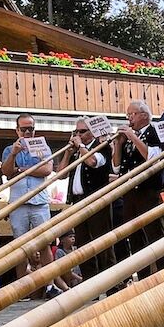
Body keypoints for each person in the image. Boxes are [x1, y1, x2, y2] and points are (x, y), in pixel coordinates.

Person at [112, 101, 164, 278]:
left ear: (144, 115)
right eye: (128, 115)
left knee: (155, 233)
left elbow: (152, 157)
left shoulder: (155, 132)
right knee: (135, 236)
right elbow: (116, 167)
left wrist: (132, 137)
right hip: (130, 191)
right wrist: (119, 145)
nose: (129, 118)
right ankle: (143, 276)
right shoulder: (130, 137)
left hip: (148, 190)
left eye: (132, 114)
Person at [0, 114, 56, 279]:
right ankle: (22, 287)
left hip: (39, 201)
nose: (27, 132)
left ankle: (50, 283)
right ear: (17, 130)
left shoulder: (41, 146)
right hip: (18, 202)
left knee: (45, 243)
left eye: (30, 129)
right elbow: (7, 172)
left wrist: (21, 170)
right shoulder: (9, 150)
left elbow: (47, 170)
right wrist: (14, 155)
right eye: (23, 129)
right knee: (20, 247)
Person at [59, 118, 115, 285]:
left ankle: (110, 284)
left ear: (92, 133)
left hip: (96, 200)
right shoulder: (76, 152)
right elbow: (61, 174)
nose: (78, 135)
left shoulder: (102, 147)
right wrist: (68, 152)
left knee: (101, 241)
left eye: (82, 132)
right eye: (76, 132)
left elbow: (93, 162)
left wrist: (81, 147)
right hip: (78, 201)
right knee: (83, 243)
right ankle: (90, 284)